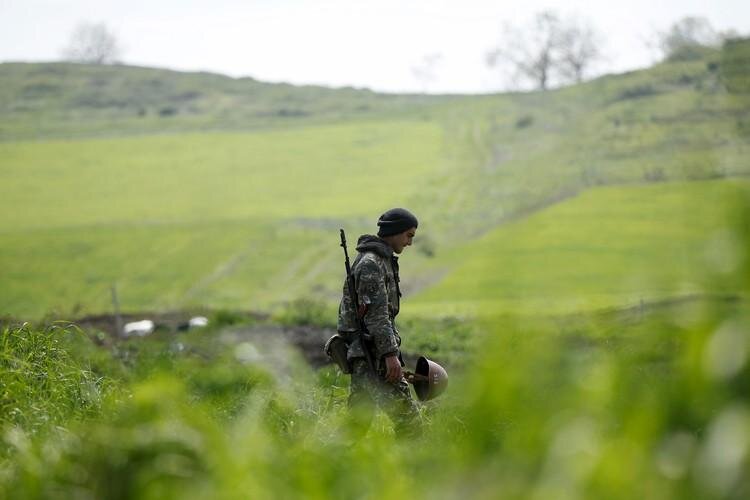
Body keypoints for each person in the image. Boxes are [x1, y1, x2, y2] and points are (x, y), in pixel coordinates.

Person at [337, 207, 422, 437]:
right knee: (408, 421)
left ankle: (331, 464)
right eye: (409, 236)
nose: (409, 243)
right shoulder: (372, 263)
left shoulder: (380, 260)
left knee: (357, 423)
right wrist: (390, 355)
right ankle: (413, 468)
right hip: (372, 354)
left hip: (370, 353)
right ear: (395, 232)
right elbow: (376, 315)